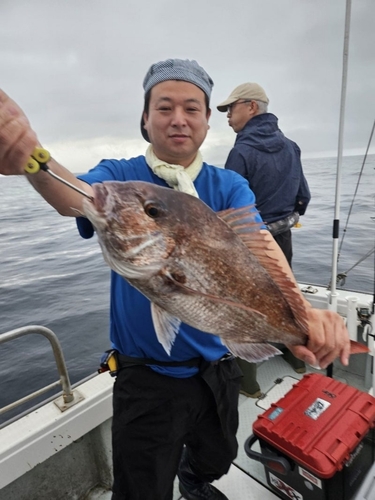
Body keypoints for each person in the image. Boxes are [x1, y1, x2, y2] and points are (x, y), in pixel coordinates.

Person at [0, 59, 351, 500]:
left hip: (217, 366)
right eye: (164, 107)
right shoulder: (119, 175)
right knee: (141, 488)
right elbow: (77, 198)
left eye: (192, 108)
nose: (178, 119)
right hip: (145, 378)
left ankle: (194, 478)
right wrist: (34, 159)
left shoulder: (229, 185)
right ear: (145, 119)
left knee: (217, 457)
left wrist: (304, 317)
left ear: (207, 121)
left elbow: (263, 246)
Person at [217, 82, 312, 397]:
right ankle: (297, 362)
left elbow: (228, 208)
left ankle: (248, 383)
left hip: (251, 245)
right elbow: (304, 197)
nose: (228, 116)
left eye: (231, 109)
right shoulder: (291, 146)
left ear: (251, 107)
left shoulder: (241, 151)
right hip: (283, 239)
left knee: (250, 308)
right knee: (285, 300)